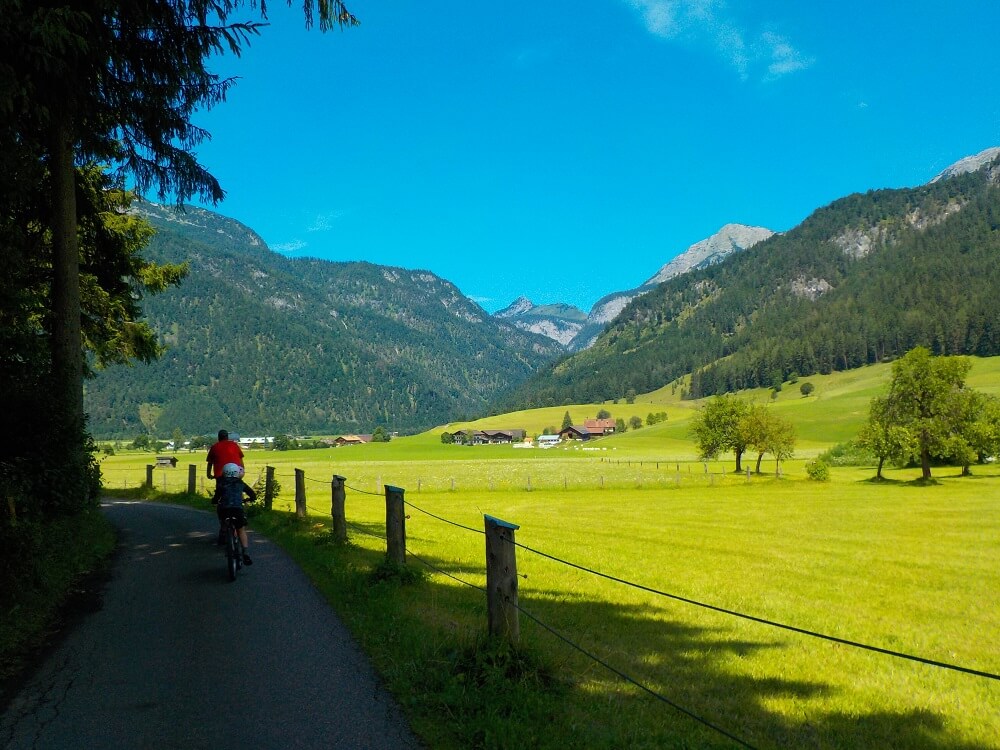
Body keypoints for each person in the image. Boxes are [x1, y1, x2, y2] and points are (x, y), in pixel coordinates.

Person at [206, 429, 244, 542]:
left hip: (221, 477)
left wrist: (209, 474)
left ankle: (223, 525)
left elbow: (210, 463)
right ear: (227, 437)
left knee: (220, 500)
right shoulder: (235, 445)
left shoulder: (214, 447)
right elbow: (241, 461)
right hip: (236, 474)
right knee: (238, 496)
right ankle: (240, 518)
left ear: (219, 437)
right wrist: (241, 472)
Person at [216, 462, 256, 565]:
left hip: (225, 510)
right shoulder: (240, 483)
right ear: (238, 472)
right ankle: (245, 552)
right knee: (241, 529)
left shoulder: (222, 483)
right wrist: (251, 498)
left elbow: (217, 496)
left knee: (223, 520)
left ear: (224, 472)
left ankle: (224, 532)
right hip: (237, 510)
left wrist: (214, 500)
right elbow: (252, 494)